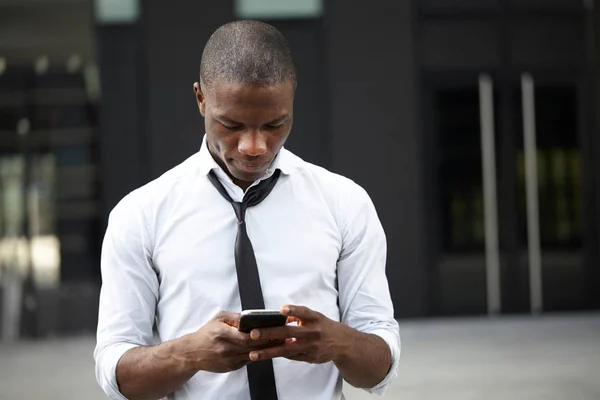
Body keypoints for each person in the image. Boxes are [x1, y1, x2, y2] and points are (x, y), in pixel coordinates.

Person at [94, 20, 400, 400]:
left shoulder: (345, 204)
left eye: (275, 124)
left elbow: (378, 370)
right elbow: (117, 375)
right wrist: (190, 353)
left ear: (293, 100)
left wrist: (338, 342)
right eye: (231, 124)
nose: (254, 146)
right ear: (200, 98)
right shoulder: (140, 216)